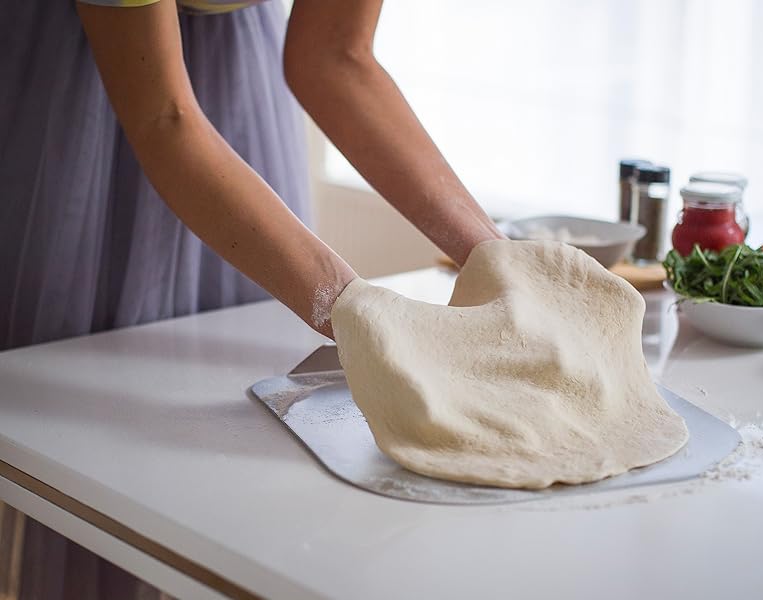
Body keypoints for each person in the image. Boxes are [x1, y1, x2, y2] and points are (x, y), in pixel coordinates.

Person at [0, 0, 503, 596]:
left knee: (240, 452)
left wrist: (498, 259)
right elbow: (164, 114)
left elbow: (336, 56)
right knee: (103, 445)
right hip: (87, 95)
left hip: (236, 97)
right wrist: (358, 311)